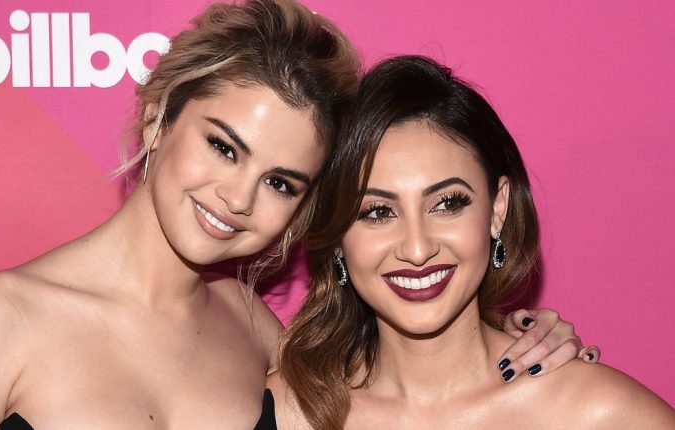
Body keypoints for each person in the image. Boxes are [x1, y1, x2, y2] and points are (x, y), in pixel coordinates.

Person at [0, 2, 595, 429]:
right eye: (224, 147)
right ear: (158, 118)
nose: (239, 198)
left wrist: (524, 338)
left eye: (279, 181)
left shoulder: (259, 332)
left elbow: (404, 385)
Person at [269, 55, 675, 429]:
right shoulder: (287, 413)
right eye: (377, 212)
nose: (417, 250)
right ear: (337, 238)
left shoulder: (599, 416)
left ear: (498, 209)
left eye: (447, 203)